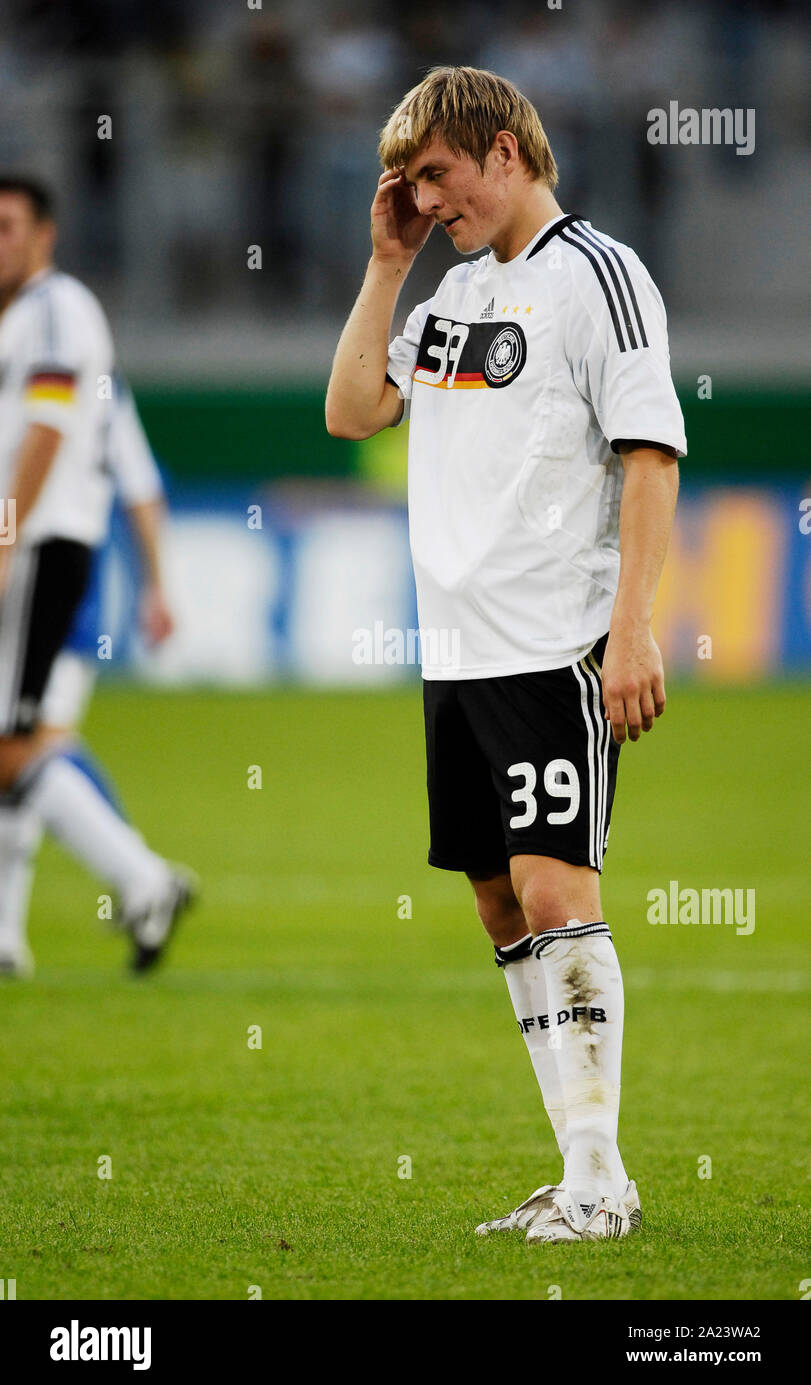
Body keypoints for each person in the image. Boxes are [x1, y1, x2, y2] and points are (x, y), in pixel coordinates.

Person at [326, 67, 685, 1244]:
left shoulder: (601, 276)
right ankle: (588, 1173)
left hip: (552, 646)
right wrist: (387, 266)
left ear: (504, 151)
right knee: (498, 905)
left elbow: (648, 457)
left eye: (436, 174)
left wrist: (630, 626)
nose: (425, 200)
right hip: (458, 655)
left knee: (551, 888)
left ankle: (595, 1181)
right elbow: (350, 409)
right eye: (410, 182)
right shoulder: (451, 296)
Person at [0, 175, 194, 978]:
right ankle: (12, 935)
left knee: (20, 745)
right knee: (20, 742)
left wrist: (5, 535)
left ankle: (141, 880)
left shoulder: (58, 311)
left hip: (41, 552)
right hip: (37, 549)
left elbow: (100, 460)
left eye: (9, 225)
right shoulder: (22, 324)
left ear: (46, 233)